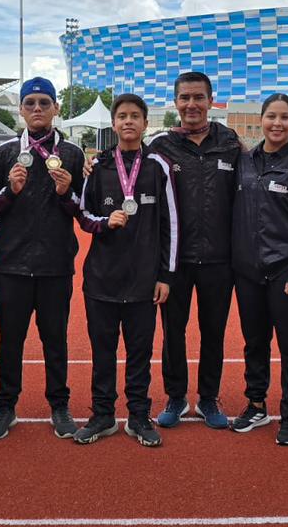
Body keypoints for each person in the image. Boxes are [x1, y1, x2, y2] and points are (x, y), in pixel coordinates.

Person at [0, 76, 85, 440]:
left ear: (56, 108)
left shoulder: (72, 154)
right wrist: (10, 191)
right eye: (30, 103)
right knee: (10, 340)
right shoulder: (5, 152)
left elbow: (82, 210)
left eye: (44, 102)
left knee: (55, 340)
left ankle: (59, 405)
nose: (37, 108)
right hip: (12, 265)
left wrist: (66, 192)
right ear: (21, 110)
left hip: (56, 265)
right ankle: (5, 406)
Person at [73, 94, 177, 447]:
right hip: (101, 278)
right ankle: (102, 415)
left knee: (139, 354)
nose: (128, 121)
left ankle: (138, 416)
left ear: (146, 123)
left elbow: (171, 223)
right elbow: (83, 215)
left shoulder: (158, 166)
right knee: (103, 353)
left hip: (144, 280)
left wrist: (165, 275)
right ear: (114, 124)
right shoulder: (99, 165)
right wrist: (105, 222)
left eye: (135, 116)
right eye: (122, 116)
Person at [228, 93, 288, 446]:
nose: (277, 123)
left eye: (284, 117)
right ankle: (256, 404)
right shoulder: (244, 162)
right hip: (248, 272)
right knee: (255, 341)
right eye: (271, 116)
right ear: (261, 119)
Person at [145, 72, 241, 430]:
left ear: (210, 100)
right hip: (175, 260)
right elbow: (130, 170)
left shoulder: (230, 143)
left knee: (214, 332)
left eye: (198, 97)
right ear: (175, 102)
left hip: (220, 259)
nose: (191, 104)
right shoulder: (160, 146)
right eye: (184, 98)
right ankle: (176, 397)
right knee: (173, 332)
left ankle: (208, 398)